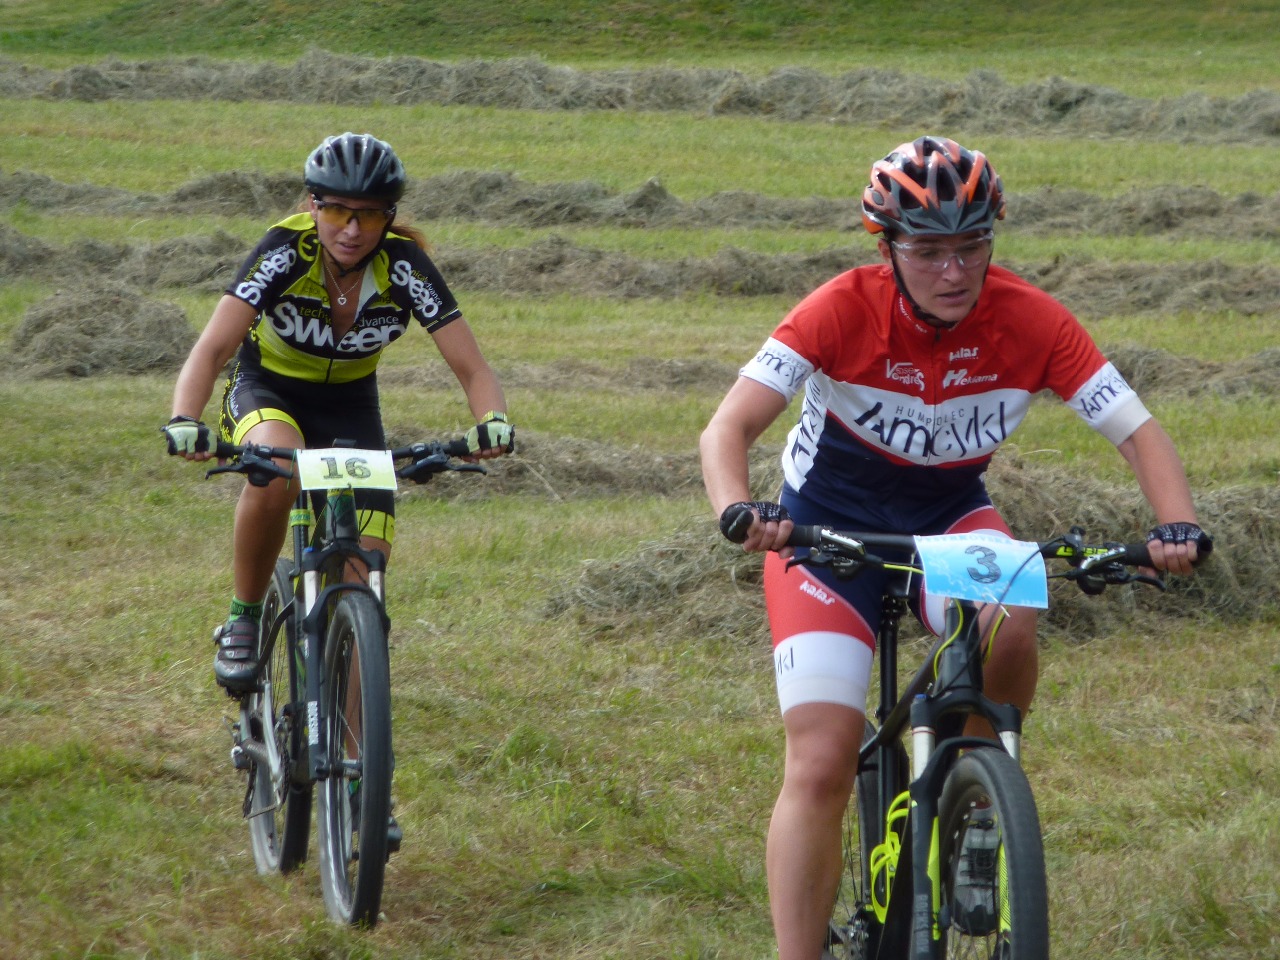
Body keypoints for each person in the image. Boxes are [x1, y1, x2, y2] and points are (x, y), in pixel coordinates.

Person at [698, 135, 1211, 960]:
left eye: (972, 247)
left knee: (1013, 612)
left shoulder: (1032, 319)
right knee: (822, 762)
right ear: (887, 249)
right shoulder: (837, 309)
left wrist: (1174, 523)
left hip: (948, 516)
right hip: (826, 528)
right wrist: (738, 509)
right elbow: (727, 428)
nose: (954, 271)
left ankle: (975, 802)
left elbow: (1138, 432)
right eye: (929, 251)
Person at [164, 131, 514, 694]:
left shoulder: (405, 267)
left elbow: (473, 368)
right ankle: (244, 617)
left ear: (388, 217)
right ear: (313, 206)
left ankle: (354, 747)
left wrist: (492, 421)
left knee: (364, 585)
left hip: (351, 405)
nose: (351, 230)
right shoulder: (283, 251)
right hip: (268, 389)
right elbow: (211, 349)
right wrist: (185, 418)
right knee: (281, 470)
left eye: (369, 216)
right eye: (336, 212)